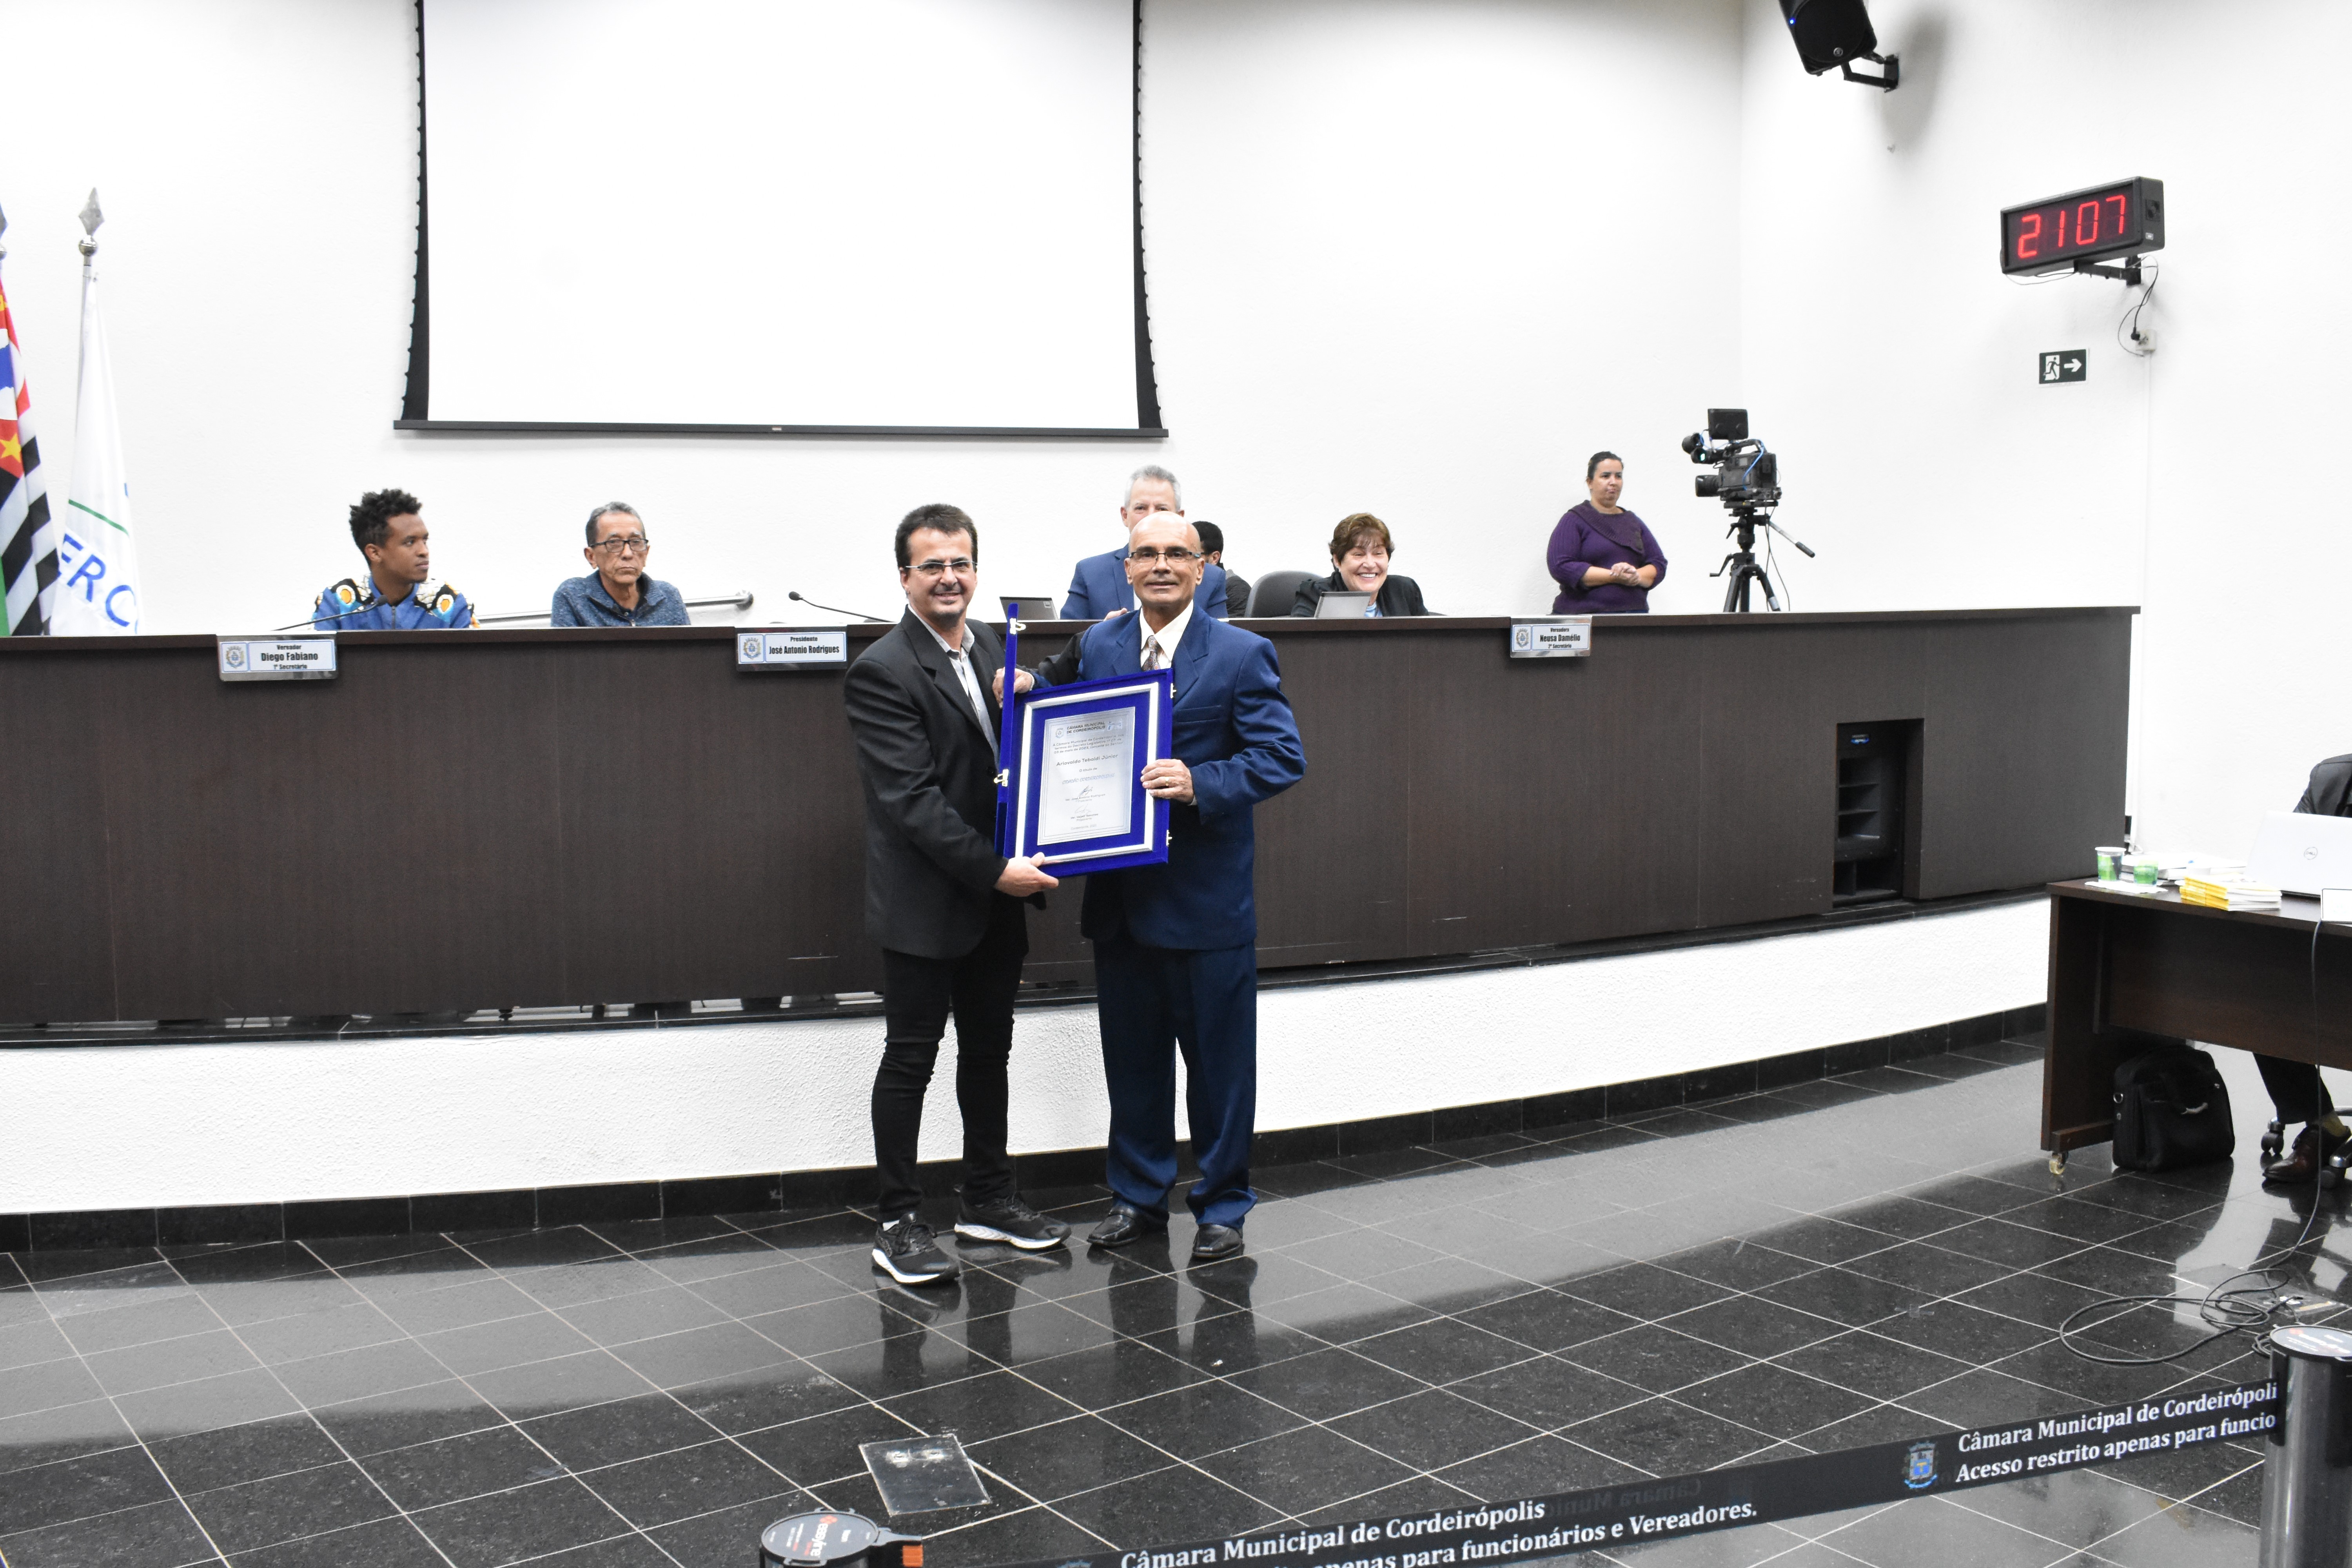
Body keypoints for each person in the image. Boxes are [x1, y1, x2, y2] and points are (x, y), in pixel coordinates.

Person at [1008, 514, 1305, 1261]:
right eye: (1148, 555)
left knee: (1219, 1074)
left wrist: (1199, 781)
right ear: (1128, 568)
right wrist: (1027, 687)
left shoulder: (1242, 653)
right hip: (1121, 905)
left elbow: (1281, 757)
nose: (1163, 565)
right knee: (1133, 1068)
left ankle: (1222, 1208)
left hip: (1206, 906)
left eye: (1179, 554)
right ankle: (1138, 1201)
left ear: (1203, 567)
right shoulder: (1103, 641)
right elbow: (1057, 702)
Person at [842, 503, 1069, 1285]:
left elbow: (1014, 762)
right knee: (911, 1058)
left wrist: (1033, 698)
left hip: (993, 901)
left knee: (989, 1051)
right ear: (905, 577)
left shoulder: (994, 649)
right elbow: (912, 803)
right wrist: (996, 868)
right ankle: (899, 1219)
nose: (949, 577)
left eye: (961, 562)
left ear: (977, 570)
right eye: (932, 565)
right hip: (926, 901)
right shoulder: (882, 668)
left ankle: (986, 1197)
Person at [2258, 753, 2352, 1184]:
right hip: (2333, 939)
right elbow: (2289, 857)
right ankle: (2324, 1124)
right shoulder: (2331, 778)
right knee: (2261, 994)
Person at [1060, 466, 1232, 621]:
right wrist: (1099, 637)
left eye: (1162, 509)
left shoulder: (1211, 578)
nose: (1151, 516)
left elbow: (1221, 647)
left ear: (1180, 517)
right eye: (1141, 508)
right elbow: (1065, 647)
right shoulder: (1090, 574)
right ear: (1125, 515)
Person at [312, 489, 475, 629]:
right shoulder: (338, 601)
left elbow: (478, 663)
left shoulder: (449, 602)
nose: (424, 551)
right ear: (375, 553)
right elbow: (314, 662)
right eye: (410, 542)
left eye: (424, 541)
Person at [1547, 452, 1667, 614]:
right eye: (1605, 476)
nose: (1613, 482)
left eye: (1618, 476)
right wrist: (1614, 576)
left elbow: (1658, 563)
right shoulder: (1574, 520)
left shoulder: (1633, 522)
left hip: (1633, 618)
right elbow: (1561, 566)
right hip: (1583, 619)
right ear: (1590, 482)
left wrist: (1635, 576)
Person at [551, 503, 688, 626]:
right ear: (591, 557)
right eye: (614, 543)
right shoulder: (573, 596)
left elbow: (689, 654)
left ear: (646, 553)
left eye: (636, 542)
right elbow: (565, 655)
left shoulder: (668, 597)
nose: (627, 554)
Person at [1289, 513, 1435, 617]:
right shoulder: (1315, 596)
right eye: (1358, 554)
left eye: (1378, 554)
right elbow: (1302, 651)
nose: (1370, 564)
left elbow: (1427, 647)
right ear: (1337, 560)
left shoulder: (1404, 591)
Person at [1196, 522, 1251, 619]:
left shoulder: (1236, 589)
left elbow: (1231, 632)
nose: (1187, 560)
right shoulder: (1186, 586)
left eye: (1196, 555)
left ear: (1214, 558)